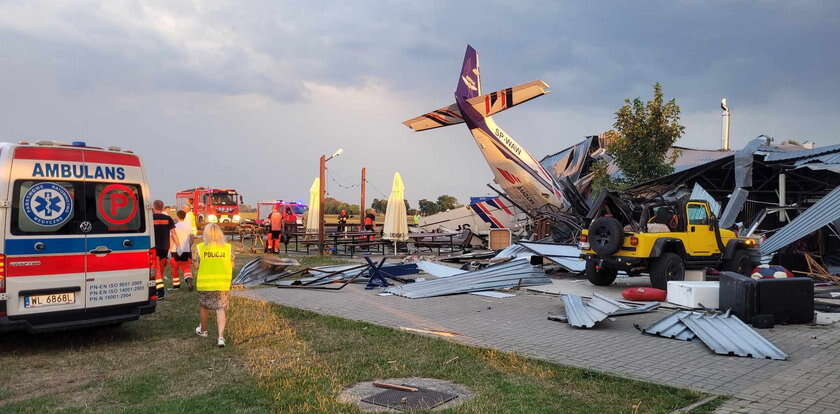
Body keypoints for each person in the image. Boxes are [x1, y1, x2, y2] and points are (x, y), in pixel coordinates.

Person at [194, 223, 234, 347]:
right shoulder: (227, 248)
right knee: (220, 309)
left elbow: (196, 266)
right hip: (222, 283)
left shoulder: (200, 248)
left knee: (203, 306)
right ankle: (220, 337)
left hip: (205, 283)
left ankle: (204, 330)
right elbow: (232, 264)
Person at [152, 200, 177, 299]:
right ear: (162, 208)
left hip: (154, 247)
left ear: (154, 207)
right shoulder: (168, 218)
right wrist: (177, 245)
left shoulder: (150, 218)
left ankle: (160, 291)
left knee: (157, 269)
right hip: (165, 247)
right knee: (161, 269)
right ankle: (158, 287)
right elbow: (174, 233)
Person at [170, 210, 195, 290]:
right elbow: (191, 238)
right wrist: (189, 246)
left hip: (176, 249)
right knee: (186, 267)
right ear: (185, 216)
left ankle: (176, 286)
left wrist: (170, 249)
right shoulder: (189, 226)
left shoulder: (175, 226)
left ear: (177, 216)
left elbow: (172, 238)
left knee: (175, 268)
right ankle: (189, 280)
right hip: (186, 249)